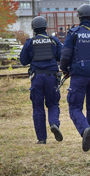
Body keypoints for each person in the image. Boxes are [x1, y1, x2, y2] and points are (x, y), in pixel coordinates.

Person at [60, 4, 90, 152]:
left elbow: (66, 54)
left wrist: (64, 69)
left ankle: (85, 129)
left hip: (79, 76)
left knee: (75, 107)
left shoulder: (73, 33)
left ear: (79, 17)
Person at [20, 16, 63, 144]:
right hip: (51, 77)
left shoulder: (30, 42)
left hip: (37, 78)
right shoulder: (54, 40)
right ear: (45, 27)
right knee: (53, 104)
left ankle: (41, 139)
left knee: (38, 107)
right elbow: (62, 56)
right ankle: (54, 124)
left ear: (33, 29)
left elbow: (23, 61)